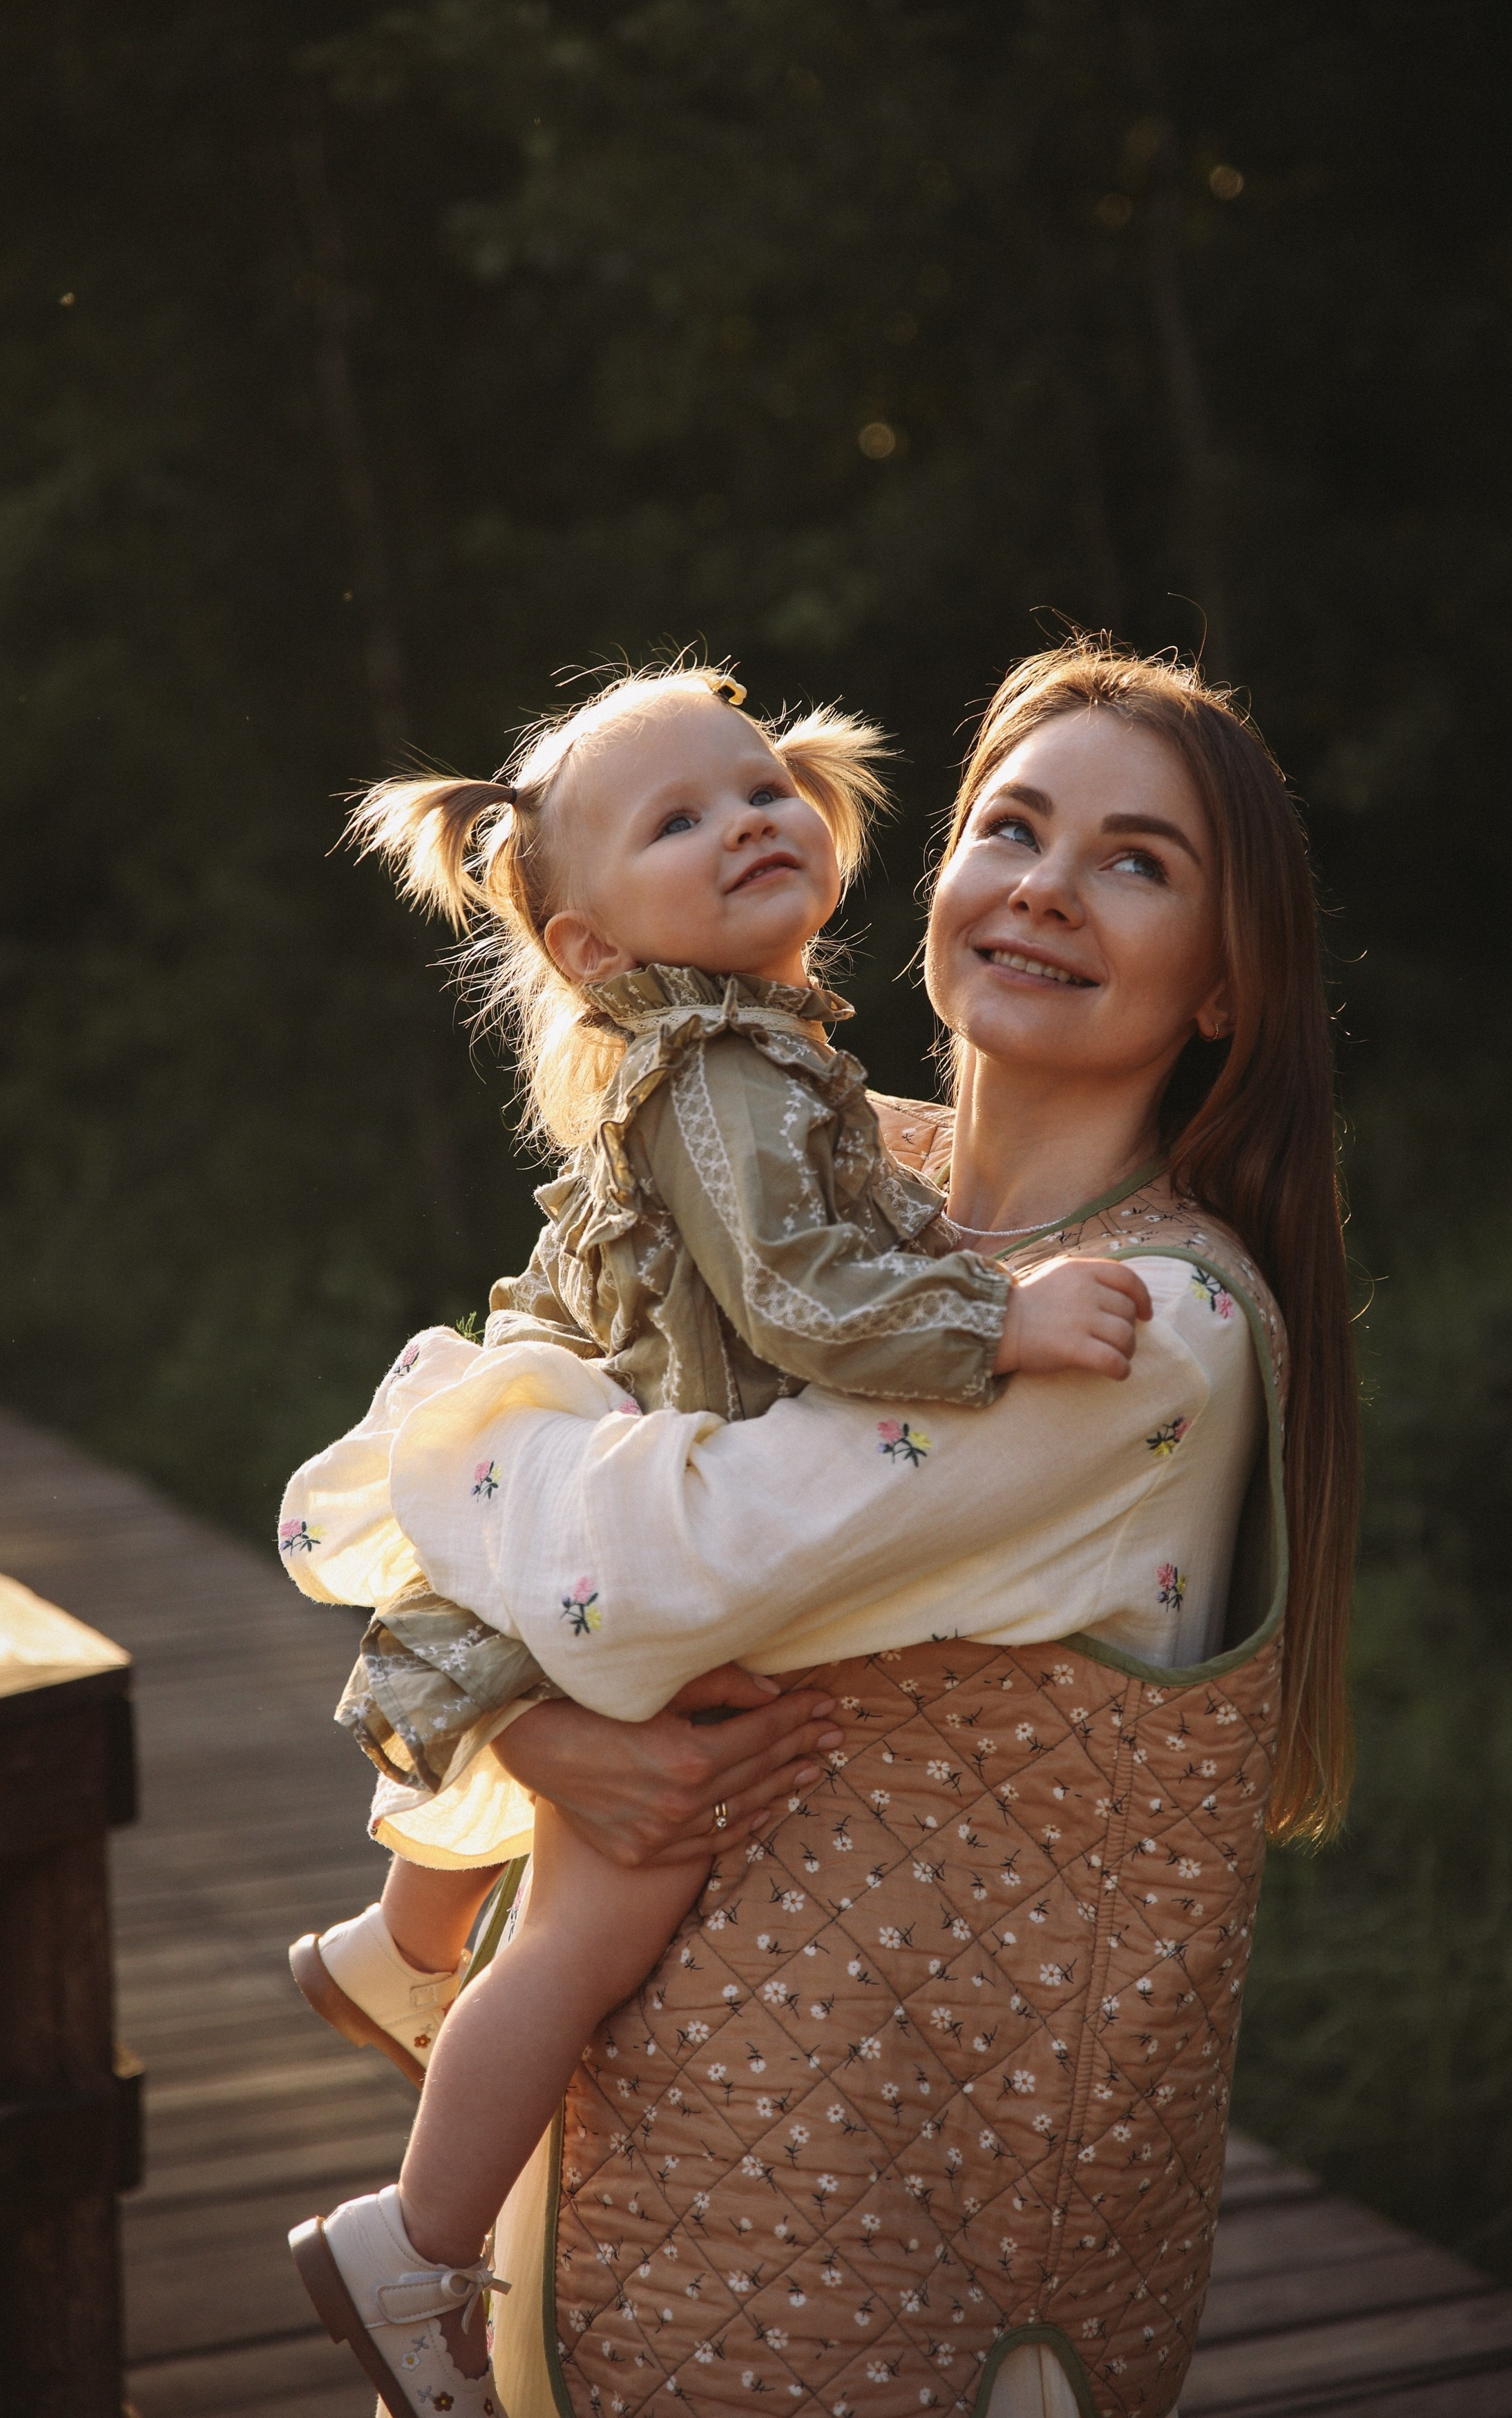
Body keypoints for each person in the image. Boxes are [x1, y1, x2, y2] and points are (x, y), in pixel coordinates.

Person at [278, 658, 1169, 2418]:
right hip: (656, 1465)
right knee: (591, 1926)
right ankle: (413, 2242)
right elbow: (802, 1295)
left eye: (761, 786)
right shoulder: (729, 1071)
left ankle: (400, 1944)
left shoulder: (751, 1051)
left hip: (618, 1439)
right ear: (592, 943)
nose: (748, 820)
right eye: (679, 818)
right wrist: (997, 1319)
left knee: (564, 1842)